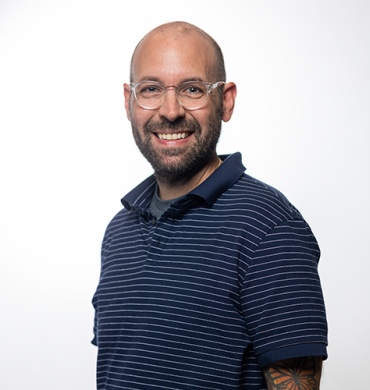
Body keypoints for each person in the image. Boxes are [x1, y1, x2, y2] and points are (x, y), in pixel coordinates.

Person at [92, 21, 328, 390]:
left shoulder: (269, 227)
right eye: (151, 89)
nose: (170, 111)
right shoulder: (118, 232)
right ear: (128, 101)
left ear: (226, 100)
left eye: (192, 89)